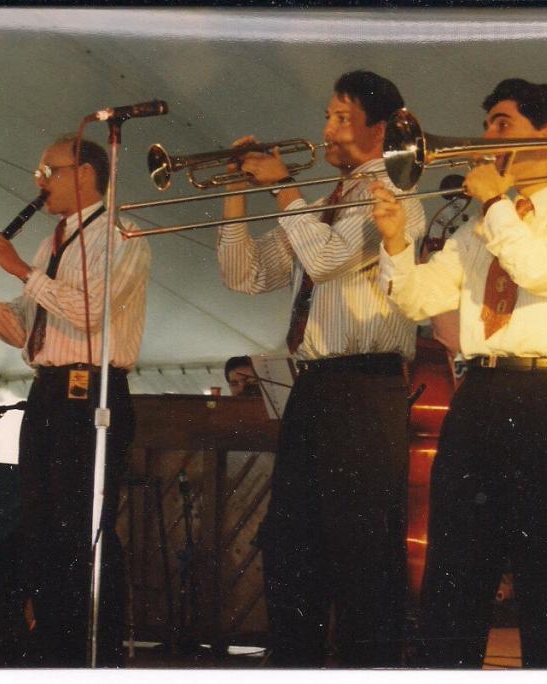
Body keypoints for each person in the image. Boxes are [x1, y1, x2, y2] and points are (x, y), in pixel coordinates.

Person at [372, 78, 547, 668]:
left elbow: (543, 272)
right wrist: (394, 244)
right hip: (481, 392)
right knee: (454, 570)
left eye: (502, 123)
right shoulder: (479, 227)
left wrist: (495, 204)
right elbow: (417, 300)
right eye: (486, 124)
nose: (485, 137)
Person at [216, 70, 426, 667]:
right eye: (328, 117)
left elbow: (329, 259)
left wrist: (284, 192)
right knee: (291, 550)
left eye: (339, 117)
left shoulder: (394, 190)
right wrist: (235, 193)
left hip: (365, 388)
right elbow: (246, 275)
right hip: (316, 389)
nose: (325, 130)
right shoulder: (326, 202)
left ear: (378, 127)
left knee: (360, 556)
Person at [0, 134, 150, 667]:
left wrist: (21, 271)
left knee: (83, 529)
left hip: (94, 397)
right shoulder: (52, 242)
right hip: (48, 395)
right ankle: (55, 652)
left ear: (84, 173)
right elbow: (27, 331)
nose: (39, 182)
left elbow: (89, 311)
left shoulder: (122, 234)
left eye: (48, 170)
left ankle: (97, 657)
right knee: (42, 532)